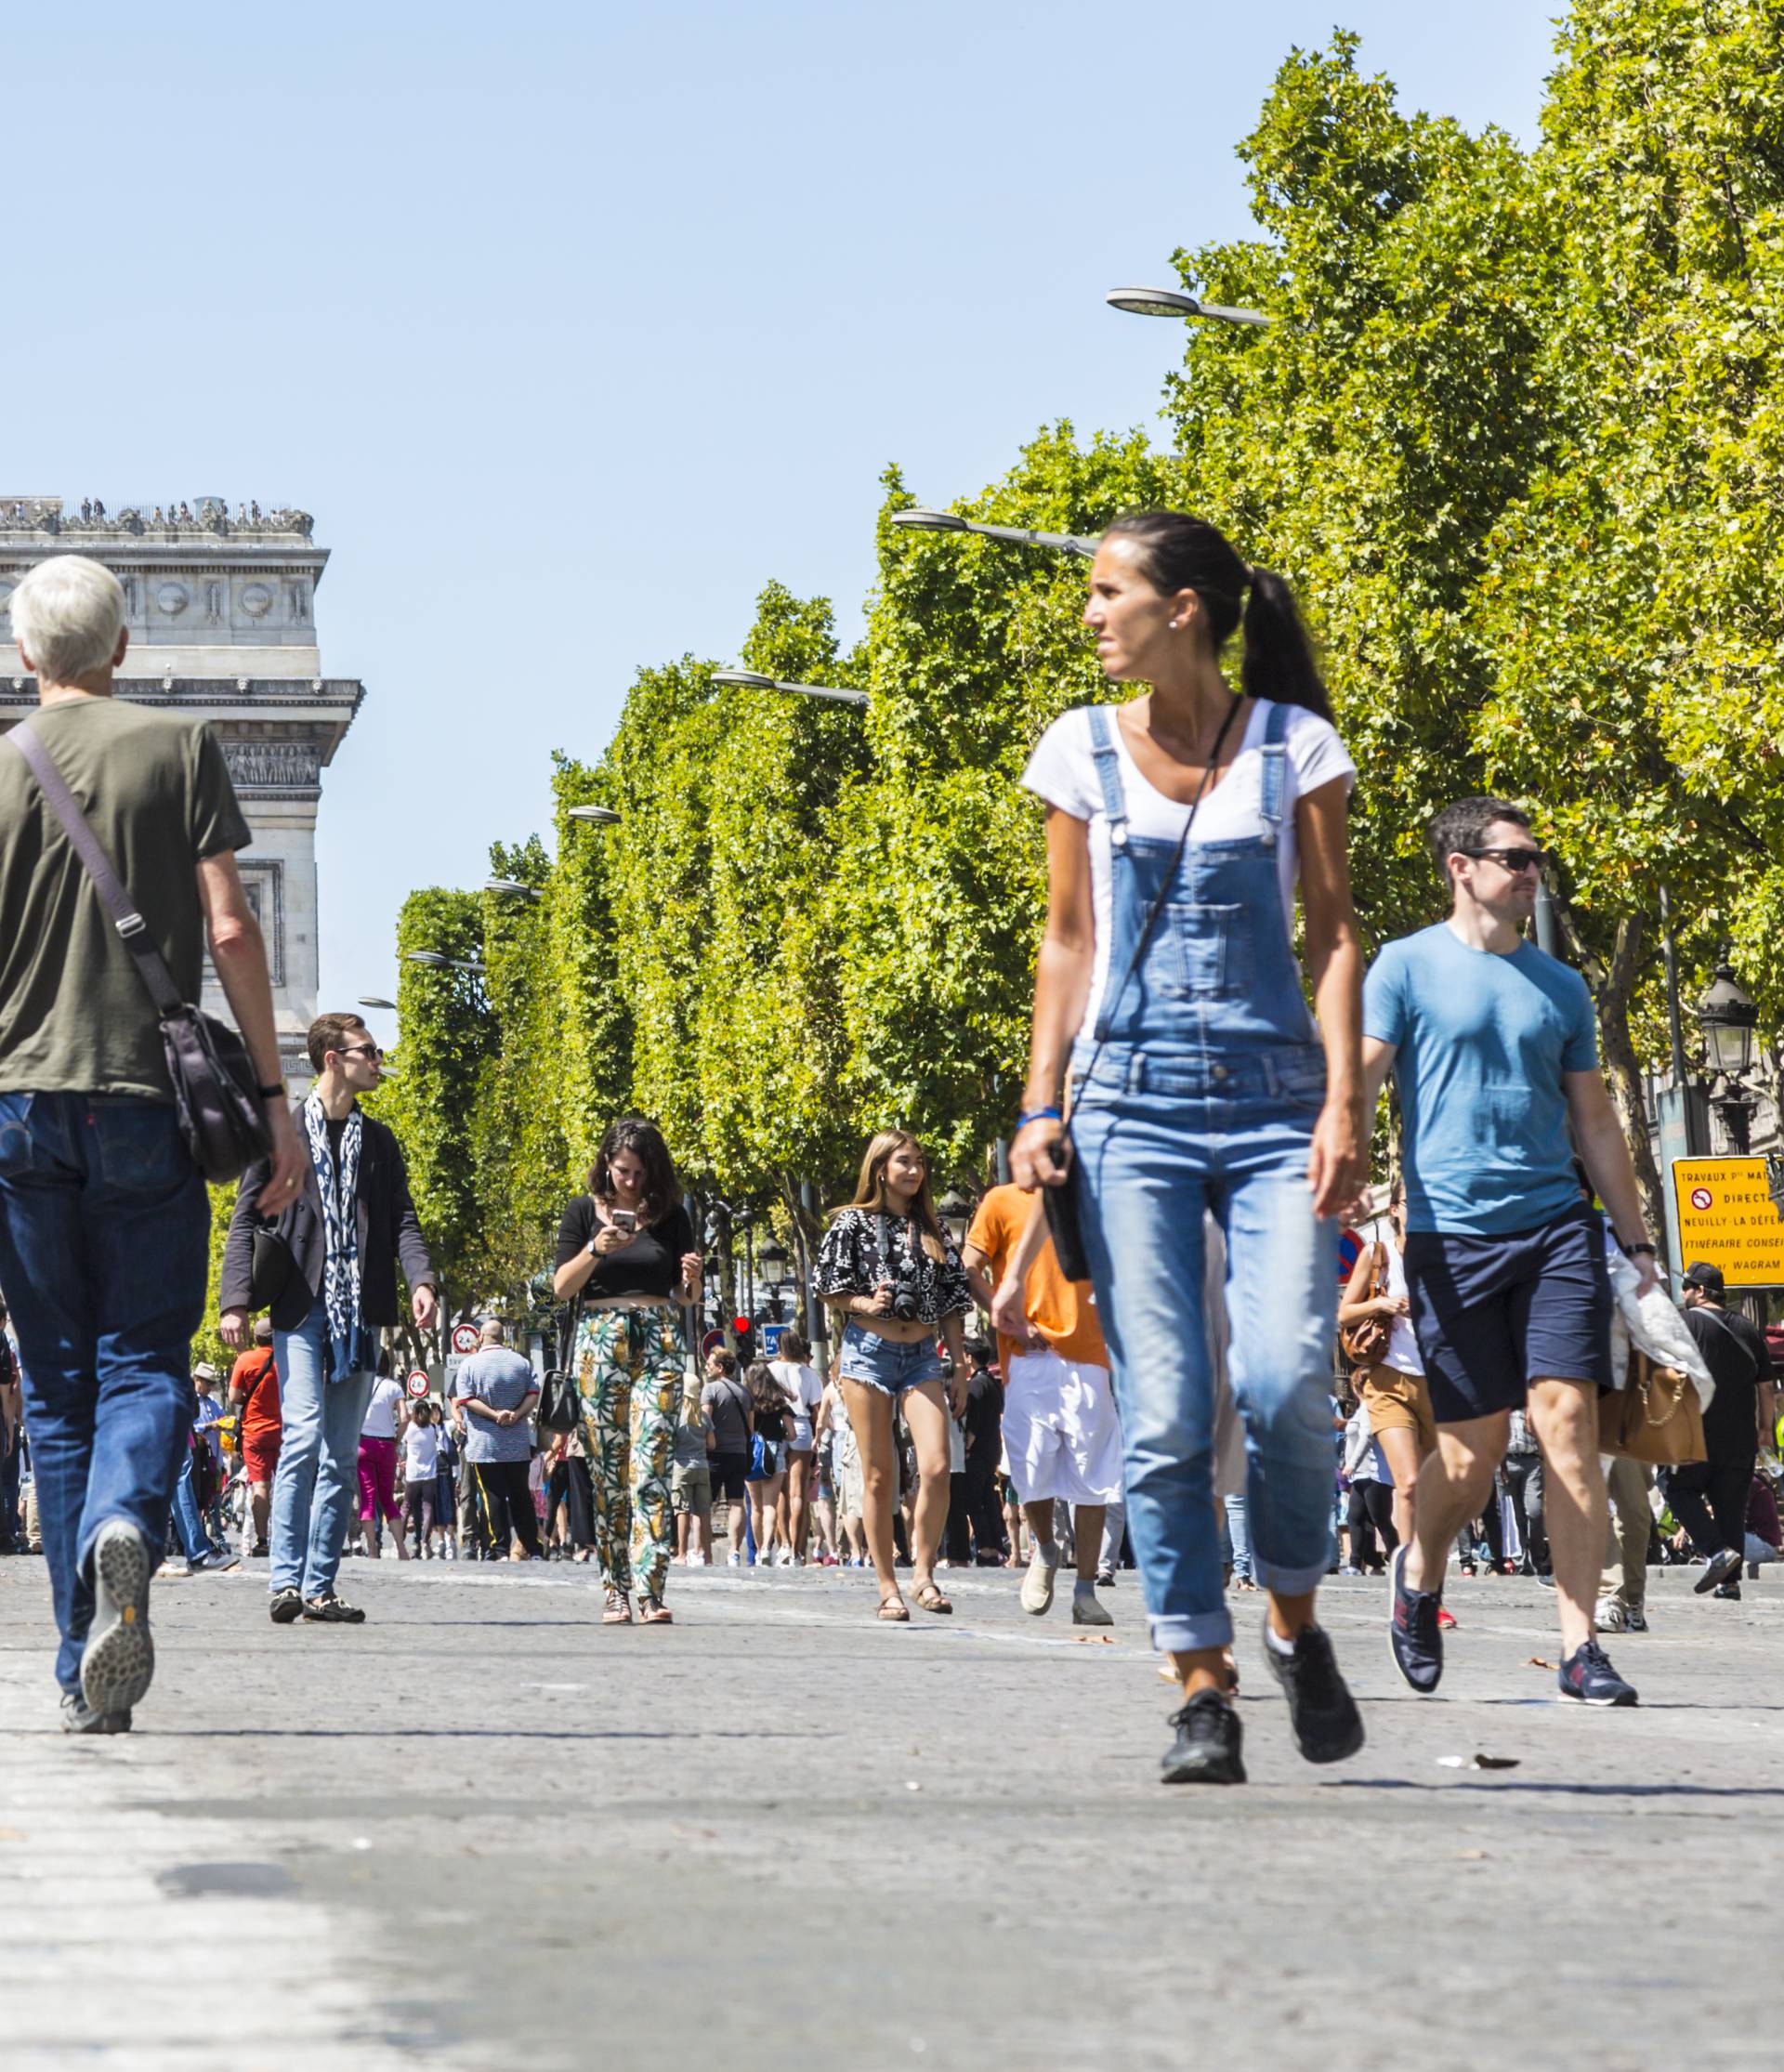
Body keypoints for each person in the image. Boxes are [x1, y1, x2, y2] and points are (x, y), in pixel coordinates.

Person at [1013, 511, 1368, 1785]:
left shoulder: (1295, 745)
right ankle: (1201, 1680)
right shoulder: (1076, 752)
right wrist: (1037, 1104)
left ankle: (1294, 1618)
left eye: (1111, 593)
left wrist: (1345, 1106)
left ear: (1187, 610)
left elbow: (1332, 937)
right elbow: (1065, 939)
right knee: (1163, 1411)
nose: (1091, 614)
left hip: (1278, 1107)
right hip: (1128, 1105)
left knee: (1284, 1387)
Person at [0, 555, 303, 1731]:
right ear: (123, 647)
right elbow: (233, 926)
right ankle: (133, 1513)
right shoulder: (181, 750)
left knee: (60, 1389)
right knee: (141, 1362)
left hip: (20, 1110)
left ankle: (81, 1666)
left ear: (27, 657)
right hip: (147, 1106)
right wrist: (276, 1096)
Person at [1361, 796, 1656, 1708]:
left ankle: (1581, 1645)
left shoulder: (1560, 986)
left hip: (1557, 1225)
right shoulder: (1404, 967)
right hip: (1449, 1235)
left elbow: (1596, 1121)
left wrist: (1636, 1236)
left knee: (1567, 1424)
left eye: (1536, 859)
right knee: (1473, 1454)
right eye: (1516, 858)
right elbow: (1362, 1081)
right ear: (1462, 866)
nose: (1532, 871)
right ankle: (1419, 1572)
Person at [220, 1011, 439, 1627]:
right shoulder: (278, 1137)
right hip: (300, 1308)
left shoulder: (380, 1142)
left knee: (341, 1453)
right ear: (332, 1059)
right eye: (368, 1051)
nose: (378, 1061)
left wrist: (420, 1280)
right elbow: (245, 1221)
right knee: (304, 1436)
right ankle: (284, 1581)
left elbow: (402, 1219)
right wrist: (234, 1299)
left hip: (357, 1314)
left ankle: (320, 1587)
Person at [814, 1131, 973, 1620]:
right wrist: (866, 1301)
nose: (915, 1171)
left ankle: (924, 1574)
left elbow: (951, 1300)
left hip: (923, 1353)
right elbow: (828, 1288)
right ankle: (888, 1587)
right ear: (880, 1168)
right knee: (879, 1476)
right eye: (905, 1162)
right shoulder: (850, 1224)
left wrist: (960, 1364)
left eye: (920, 1163)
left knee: (937, 1466)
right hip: (868, 1352)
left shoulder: (934, 1229)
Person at [552, 1118, 702, 1625]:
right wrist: (597, 1249)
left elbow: (685, 1297)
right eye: (621, 1171)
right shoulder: (580, 1212)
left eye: (639, 1172)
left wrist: (692, 1282)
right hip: (600, 1342)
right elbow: (561, 1288)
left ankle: (651, 1589)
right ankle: (614, 1587)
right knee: (609, 1474)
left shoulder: (672, 1216)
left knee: (652, 1465)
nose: (630, 1182)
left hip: (659, 1335)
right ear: (606, 1166)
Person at [971, 1188, 1117, 1624]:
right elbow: (970, 1266)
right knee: (1029, 1470)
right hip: (1027, 1356)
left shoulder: (1096, 1198)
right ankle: (1046, 1550)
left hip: (1090, 1355)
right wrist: (1005, 1313)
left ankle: (1086, 1590)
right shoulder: (1001, 1201)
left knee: (1094, 1477)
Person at [1663, 1262, 1775, 1602]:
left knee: (1673, 1487)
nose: (1682, 1294)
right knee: (1730, 1505)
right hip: (1740, 1437)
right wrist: (1765, 1429)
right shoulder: (1748, 1328)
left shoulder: (1685, 1324)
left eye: (1686, 1288)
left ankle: (1715, 1552)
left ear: (1699, 1291)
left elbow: (1666, 1375)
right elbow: (1766, 1387)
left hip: (1694, 1433)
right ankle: (1730, 1583)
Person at [1338, 1183, 1436, 1557]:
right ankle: (1412, 1588)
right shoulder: (1376, 1255)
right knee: (1408, 1483)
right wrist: (1383, 1304)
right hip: (1388, 1382)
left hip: (1437, 1383)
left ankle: (1428, 1576)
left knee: (1431, 1489)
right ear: (1394, 1210)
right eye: (1413, 1202)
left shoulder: (1447, 1257)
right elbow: (1344, 1313)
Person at [452, 1319, 541, 1563]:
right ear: (504, 1337)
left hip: (484, 1446)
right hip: (518, 1444)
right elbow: (534, 1393)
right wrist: (517, 1414)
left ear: (481, 1337)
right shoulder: (522, 1363)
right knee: (521, 1495)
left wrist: (494, 1415)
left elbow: (466, 1400)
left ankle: (499, 1549)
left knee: (494, 1498)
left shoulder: (470, 1365)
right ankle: (533, 1548)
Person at [768, 1329, 824, 1563]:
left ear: (779, 1347)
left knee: (780, 1492)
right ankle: (797, 1551)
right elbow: (818, 1410)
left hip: (777, 1427)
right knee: (797, 1492)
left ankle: (783, 1545)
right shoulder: (809, 1374)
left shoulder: (770, 1370)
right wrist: (819, 1439)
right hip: (802, 1429)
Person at [229, 1318, 282, 1556]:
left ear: (256, 1338)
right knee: (288, 1482)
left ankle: (262, 1541)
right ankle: (289, 1537)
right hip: (285, 1430)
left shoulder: (245, 1359)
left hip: (255, 1431)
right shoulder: (288, 1359)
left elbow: (233, 1396)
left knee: (260, 1485)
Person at [702, 1347, 753, 1565]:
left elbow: (705, 1421)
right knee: (736, 1502)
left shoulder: (710, 1390)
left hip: (714, 1453)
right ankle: (734, 1552)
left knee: (704, 1504)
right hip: (739, 1452)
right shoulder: (744, 1392)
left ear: (720, 1368)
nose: (706, 1367)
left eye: (710, 1364)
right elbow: (750, 1428)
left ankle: (706, 1553)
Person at [356, 1360, 409, 1559]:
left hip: (363, 1445)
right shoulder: (394, 1386)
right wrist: (397, 1439)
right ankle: (402, 1550)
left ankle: (372, 1549)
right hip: (387, 1446)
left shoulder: (361, 1384)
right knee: (388, 1499)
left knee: (367, 1500)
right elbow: (404, 1418)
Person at [745, 1361, 794, 1564]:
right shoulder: (780, 1403)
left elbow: (748, 1430)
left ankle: (758, 1552)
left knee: (755, 1507)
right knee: (770, 1505)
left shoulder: (747, 1402)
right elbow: (792, 1434)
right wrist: (781, 1433)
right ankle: (767, 1547)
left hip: (753, 1455)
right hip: (775, 1454)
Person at [671, 1391, 714, 1564]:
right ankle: (708, 1555)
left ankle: (681, 1553)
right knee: (703, 1512)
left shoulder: (677, 1418)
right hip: (702, 1467)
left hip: (681, 1467)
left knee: (682, 1509)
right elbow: (712, 1443)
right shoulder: (704, 1417)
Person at [401, 1400, 442, 1556]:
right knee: (427, 1507)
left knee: (406, 1506)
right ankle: (424, 1541)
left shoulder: (410, 1429)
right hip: (430, 1474)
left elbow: (404, 1446)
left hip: (413, 1474)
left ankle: (400, 1538)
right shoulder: (432, 1429)